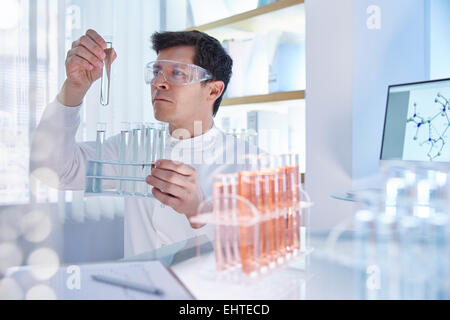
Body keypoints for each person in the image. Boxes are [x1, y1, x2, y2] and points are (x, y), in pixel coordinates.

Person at [30, 29, 256, 257]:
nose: (159, 83)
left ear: (214, 90)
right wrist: (74, 88)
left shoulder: (252, 166)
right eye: (156, 71)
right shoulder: (134, 147)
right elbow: (52, 170)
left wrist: (201, 211)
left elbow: (254, 258)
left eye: (177, 73)